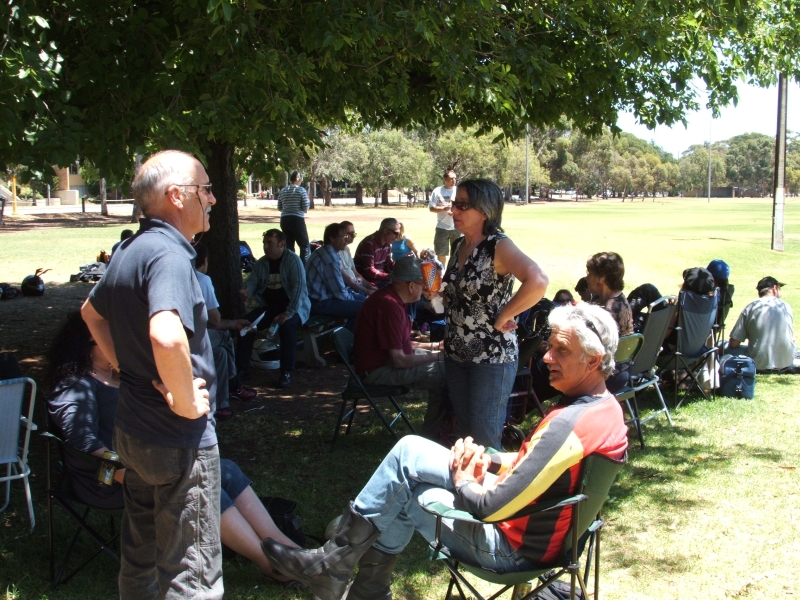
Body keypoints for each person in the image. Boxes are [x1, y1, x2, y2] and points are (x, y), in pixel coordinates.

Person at [261, 304, 627, 600]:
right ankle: (352, 579)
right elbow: (537, 466)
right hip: (546, 542)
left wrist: (464, 478)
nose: (546, 356)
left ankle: (338, 569)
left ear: (594, 360)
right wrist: (486, 458)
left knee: (406, 479)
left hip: (510, 551)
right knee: (408, 462)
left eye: (562, 350)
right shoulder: (603, 409)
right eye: (550, 346)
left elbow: (491, 508)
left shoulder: (569, 425)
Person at [45, 313, 301, 584]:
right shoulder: (76, 385)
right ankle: (271, 564)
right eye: (111, 338)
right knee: (195, 480)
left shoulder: (121, 376)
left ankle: (286, 548)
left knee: (222, 469)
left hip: (145, 466)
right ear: (88, 343)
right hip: (106, 480)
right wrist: (128, 470)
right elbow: (82, 445)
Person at [80, 150, 222, 599]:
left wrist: (127, 368)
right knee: (192, 577)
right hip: (177, 439)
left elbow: (91, 314)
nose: (213, 199)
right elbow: (166, 335)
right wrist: (185, 400)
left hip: (134, 432)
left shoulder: (130, 249)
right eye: (205, 190)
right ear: (176, 196)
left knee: (139, 561)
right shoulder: (169, 256)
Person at [436, 179, 548, 450]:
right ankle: (467, 479)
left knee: (485, 440)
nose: (453, 210)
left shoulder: (498, 246)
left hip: (491, 359)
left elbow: (538, 280)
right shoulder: (459, 245)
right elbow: (457, 297)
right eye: (454, 204)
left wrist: (505, 315)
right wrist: (435, 294)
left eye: (463, 205)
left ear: (485, 210)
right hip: (456, 355)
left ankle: (493, 480)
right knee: (465, 437)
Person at [354, 256, 447, 441]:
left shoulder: (392, 299)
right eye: (422, 285)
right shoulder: (388, 305)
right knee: (446, 374)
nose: (424, 289)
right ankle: (432, 437)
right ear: (411, 286)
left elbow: (402, 344)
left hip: (385, 364)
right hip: (378, 371)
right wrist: (438, 356)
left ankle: (437, 432)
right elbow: (399, 360)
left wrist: (435, 346)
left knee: (448, 368)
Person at [237, 229, 311, 388]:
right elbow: (252, 282)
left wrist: (288, 313)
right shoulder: (262, 263)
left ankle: (286, 372)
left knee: (287, 326)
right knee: (245, 325)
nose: (266, 247)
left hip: (295, 307)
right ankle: (243, 369)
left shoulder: (293, 261)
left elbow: (299, 290)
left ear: (282, 244)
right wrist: (246, 291)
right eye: (264, 243)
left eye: (270, 243)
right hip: (270, 308)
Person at [194, 243, 257, 421]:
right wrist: (232, 325)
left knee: (220, 353)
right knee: (224, 335)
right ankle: (234, 384)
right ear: (205, 261)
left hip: (188, 335)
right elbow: (214, 320)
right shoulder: (202, 280)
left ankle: (221, 405)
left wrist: (233, 323)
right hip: (192, 340)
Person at [306, 222, 367, 331]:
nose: (346, 240)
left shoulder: (327, 251)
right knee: (365, 308)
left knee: (368, 302)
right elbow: (339, 292)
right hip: (319, 302)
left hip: (325, 297)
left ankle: (346, 333)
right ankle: (346, 337)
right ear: (332, 238)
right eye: (343, 237)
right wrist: (353, 298)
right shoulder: (329, 258)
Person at [728, 276, 795, 372]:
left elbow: (734, 343)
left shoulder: (751, 307)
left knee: (723, 346)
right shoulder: (785, 306)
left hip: (759, 364)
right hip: (786, 363)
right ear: (775, 288)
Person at [585, 252, 633, 336]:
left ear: (601, 279)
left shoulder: (608, 311)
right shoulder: (619, 299)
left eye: (590, 274)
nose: (587, 278)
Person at [354, 218, 400, 287]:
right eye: (396, 233)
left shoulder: (387, 244)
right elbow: (369, 271)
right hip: (368, 282)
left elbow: (387, 265)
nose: (397, 237)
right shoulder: (369, 244)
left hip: (380, 279)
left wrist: (399, 265)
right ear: (386, 230)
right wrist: (390, 276)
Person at [277, 170, 311, 264]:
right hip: (297, 220)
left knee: (289, 246)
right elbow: (305, 207)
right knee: (304, 246)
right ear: (298, 179)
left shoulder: (283, 190)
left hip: (284, 220)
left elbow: (279, 207)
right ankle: (304, 267)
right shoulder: (301, 190)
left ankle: (290, 266)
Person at [429, 169, 462, 264]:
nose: (454, 180)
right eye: (451, 178)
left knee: (458, 253)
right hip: (441, 227)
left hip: (457, 227)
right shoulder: (437, 191)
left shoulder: (459, 191)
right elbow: (431, 208)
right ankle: (441, 272)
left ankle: (455, 272)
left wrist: (455, 212)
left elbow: (466, 207)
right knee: (441, 253)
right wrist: (443, 208)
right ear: (445, 179)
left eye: (455, 178)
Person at [338, 221, 376, 296]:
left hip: (356, 284)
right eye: (350, 233)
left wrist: (369, 286)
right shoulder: (335, 252)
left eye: (354, 233)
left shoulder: (346, 249)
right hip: (348, 288)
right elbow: (346, 279)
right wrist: (366, 290)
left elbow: (356, 273)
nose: (353, 236)